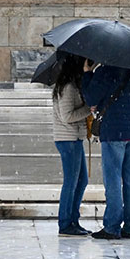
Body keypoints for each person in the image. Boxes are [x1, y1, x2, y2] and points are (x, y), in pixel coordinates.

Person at [81, 60, 130, 240]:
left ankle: (112, 226)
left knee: (113, 180)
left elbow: (91, 97)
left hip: (114, 132)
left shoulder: (106, 71)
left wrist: (87, 73)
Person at [51, 53, 92, 237]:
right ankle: (65, 223)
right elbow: (67, 116)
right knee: (71, 182)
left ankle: (73, 220)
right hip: (68, 139)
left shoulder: (72, 85)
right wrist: (88, 110)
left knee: (82, 180)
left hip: (74, 139)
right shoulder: (67, 87)